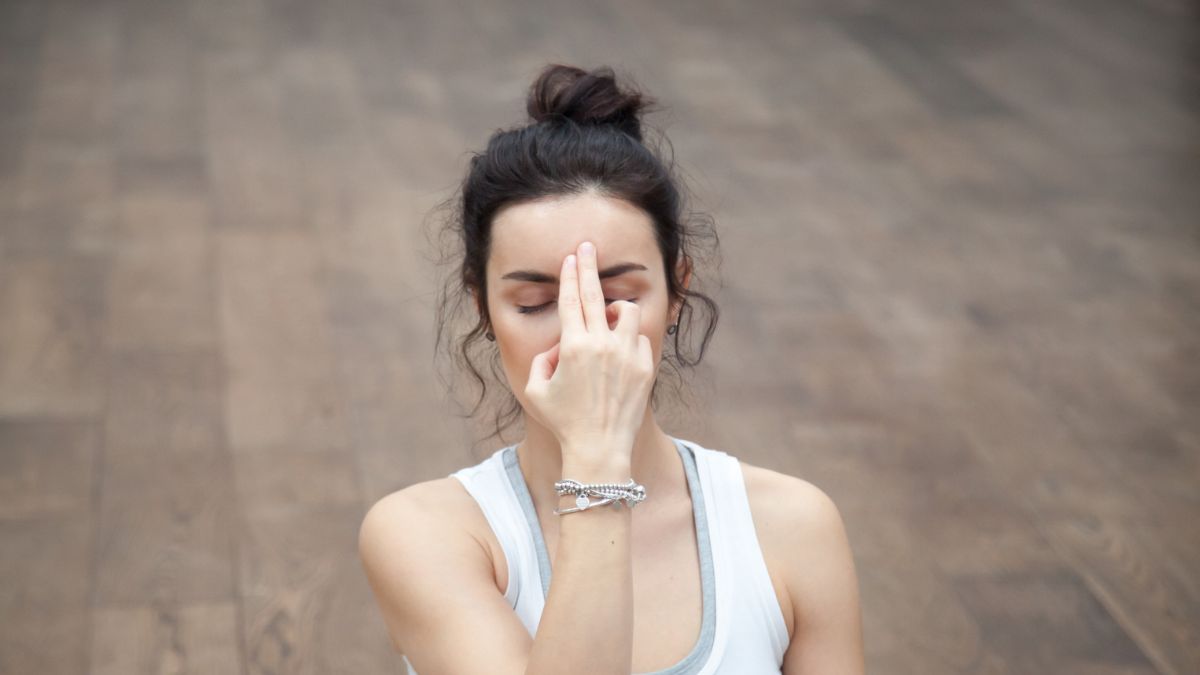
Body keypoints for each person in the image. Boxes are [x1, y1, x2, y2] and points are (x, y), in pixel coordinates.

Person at [358, 63, 865, 675]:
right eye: (535, 303)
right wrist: (596, 458)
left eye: (617, 295)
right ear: (482, 308)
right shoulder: (424, 534)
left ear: (677, 292)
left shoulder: (792, 525)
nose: (582, 333)